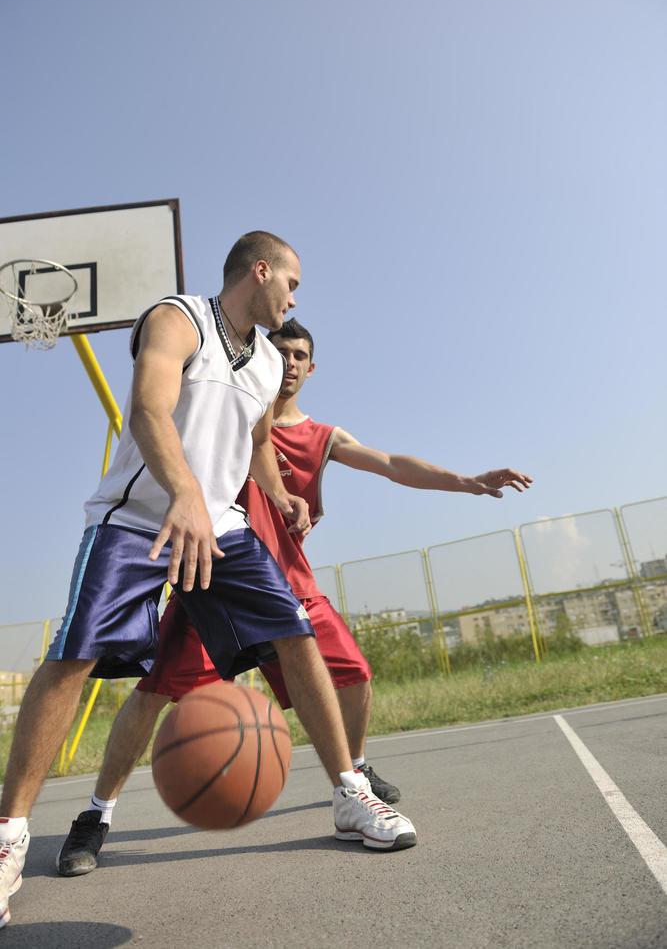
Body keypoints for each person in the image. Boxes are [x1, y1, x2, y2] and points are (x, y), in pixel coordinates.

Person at [0, 234, 417, 930]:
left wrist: (277, 494)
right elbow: (148, 412)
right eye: (292, 281)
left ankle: (349, 794)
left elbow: (252, 441)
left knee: (295, 632)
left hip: (219, 527)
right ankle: (10, 834)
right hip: (137, 522)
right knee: (72, 659)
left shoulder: (262, 362)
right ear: (259, 272)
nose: (294, 296)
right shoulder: (177, 318)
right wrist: (186, 496)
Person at [55, 317, 532, 877]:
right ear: (261, 359)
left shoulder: (319, 437)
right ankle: (96, 814)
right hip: (213, 581)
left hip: (290, 586)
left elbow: (391, 465)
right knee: (153, 695)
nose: (289, 363)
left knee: (352, 674)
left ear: (310, 367)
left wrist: (467, 481)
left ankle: (352, 777)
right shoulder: (224, 423)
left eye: (300, 355)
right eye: (280, 352)